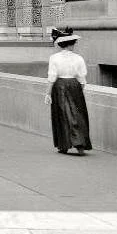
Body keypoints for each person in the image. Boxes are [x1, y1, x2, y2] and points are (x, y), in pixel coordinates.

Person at [46, 28, 92, 156]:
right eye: (73, 43)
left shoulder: (54, 58)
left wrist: (48, 93)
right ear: (70, 44)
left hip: (59, 85)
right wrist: (80, 89)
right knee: (78, 113)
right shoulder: (79, 58)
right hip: (74, 85)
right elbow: (82, 79)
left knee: (61, 114)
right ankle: (80, 143)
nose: (74, 45)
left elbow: (52, 77)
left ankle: (63, 145)